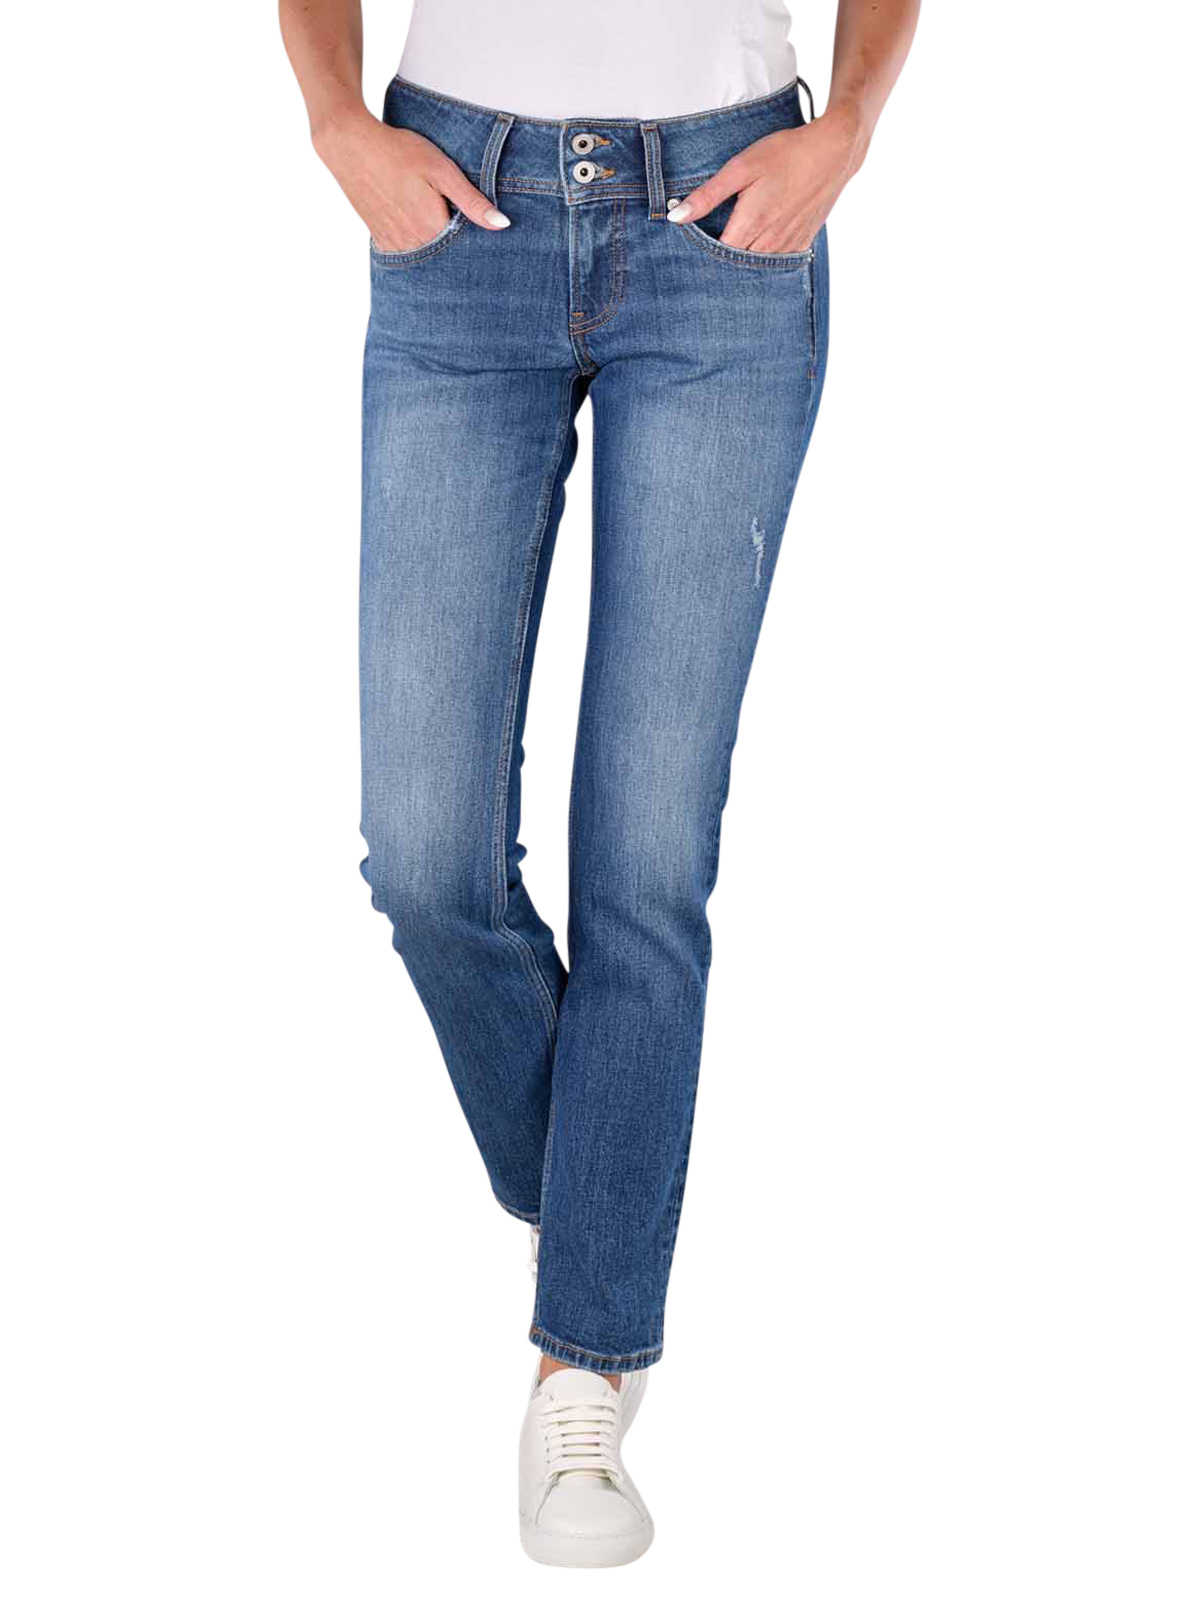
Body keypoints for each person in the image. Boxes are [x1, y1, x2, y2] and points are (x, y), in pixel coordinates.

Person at [280, 0, 918, 1570]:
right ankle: (608, 1211)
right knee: (421, 855)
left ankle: (584, 1385)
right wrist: (339, 124)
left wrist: (846, 124)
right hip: (456, 211)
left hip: (726, 222)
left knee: (645, 860)